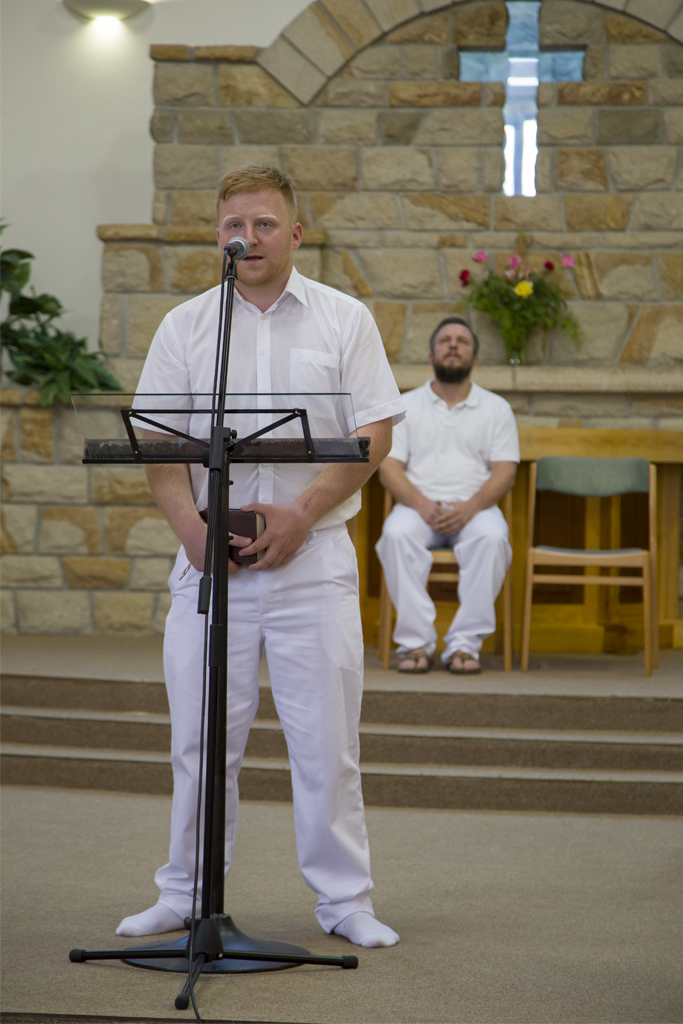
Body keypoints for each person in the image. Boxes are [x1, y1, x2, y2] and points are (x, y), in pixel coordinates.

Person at [116, 165, 405, 948]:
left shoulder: (343, 319)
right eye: (232, 226)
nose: (246, 238)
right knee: (200, 740)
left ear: (295, 234)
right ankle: (183, 892)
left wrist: (303, 513)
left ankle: (344, 901)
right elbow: (158, 442)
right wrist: (191, 531)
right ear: (219, 236)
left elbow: (376, 431)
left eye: (264, 224)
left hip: (313, 562)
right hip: (211, 563)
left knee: (325, 744)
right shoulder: (187, 326)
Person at [376, 317, 519, 675]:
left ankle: (464, 645)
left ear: (475, 359)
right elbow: (388, 467)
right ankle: (415, 644)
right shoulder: (404, 405)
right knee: (395, 534)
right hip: (417, 507)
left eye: (462, 341)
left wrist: (469, 509)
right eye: (445, 340)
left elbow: (505, 471)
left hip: (476, 509)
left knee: (493, 537)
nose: (453, 345)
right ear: (431, 356)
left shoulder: (496, 408)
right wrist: (423, 506)